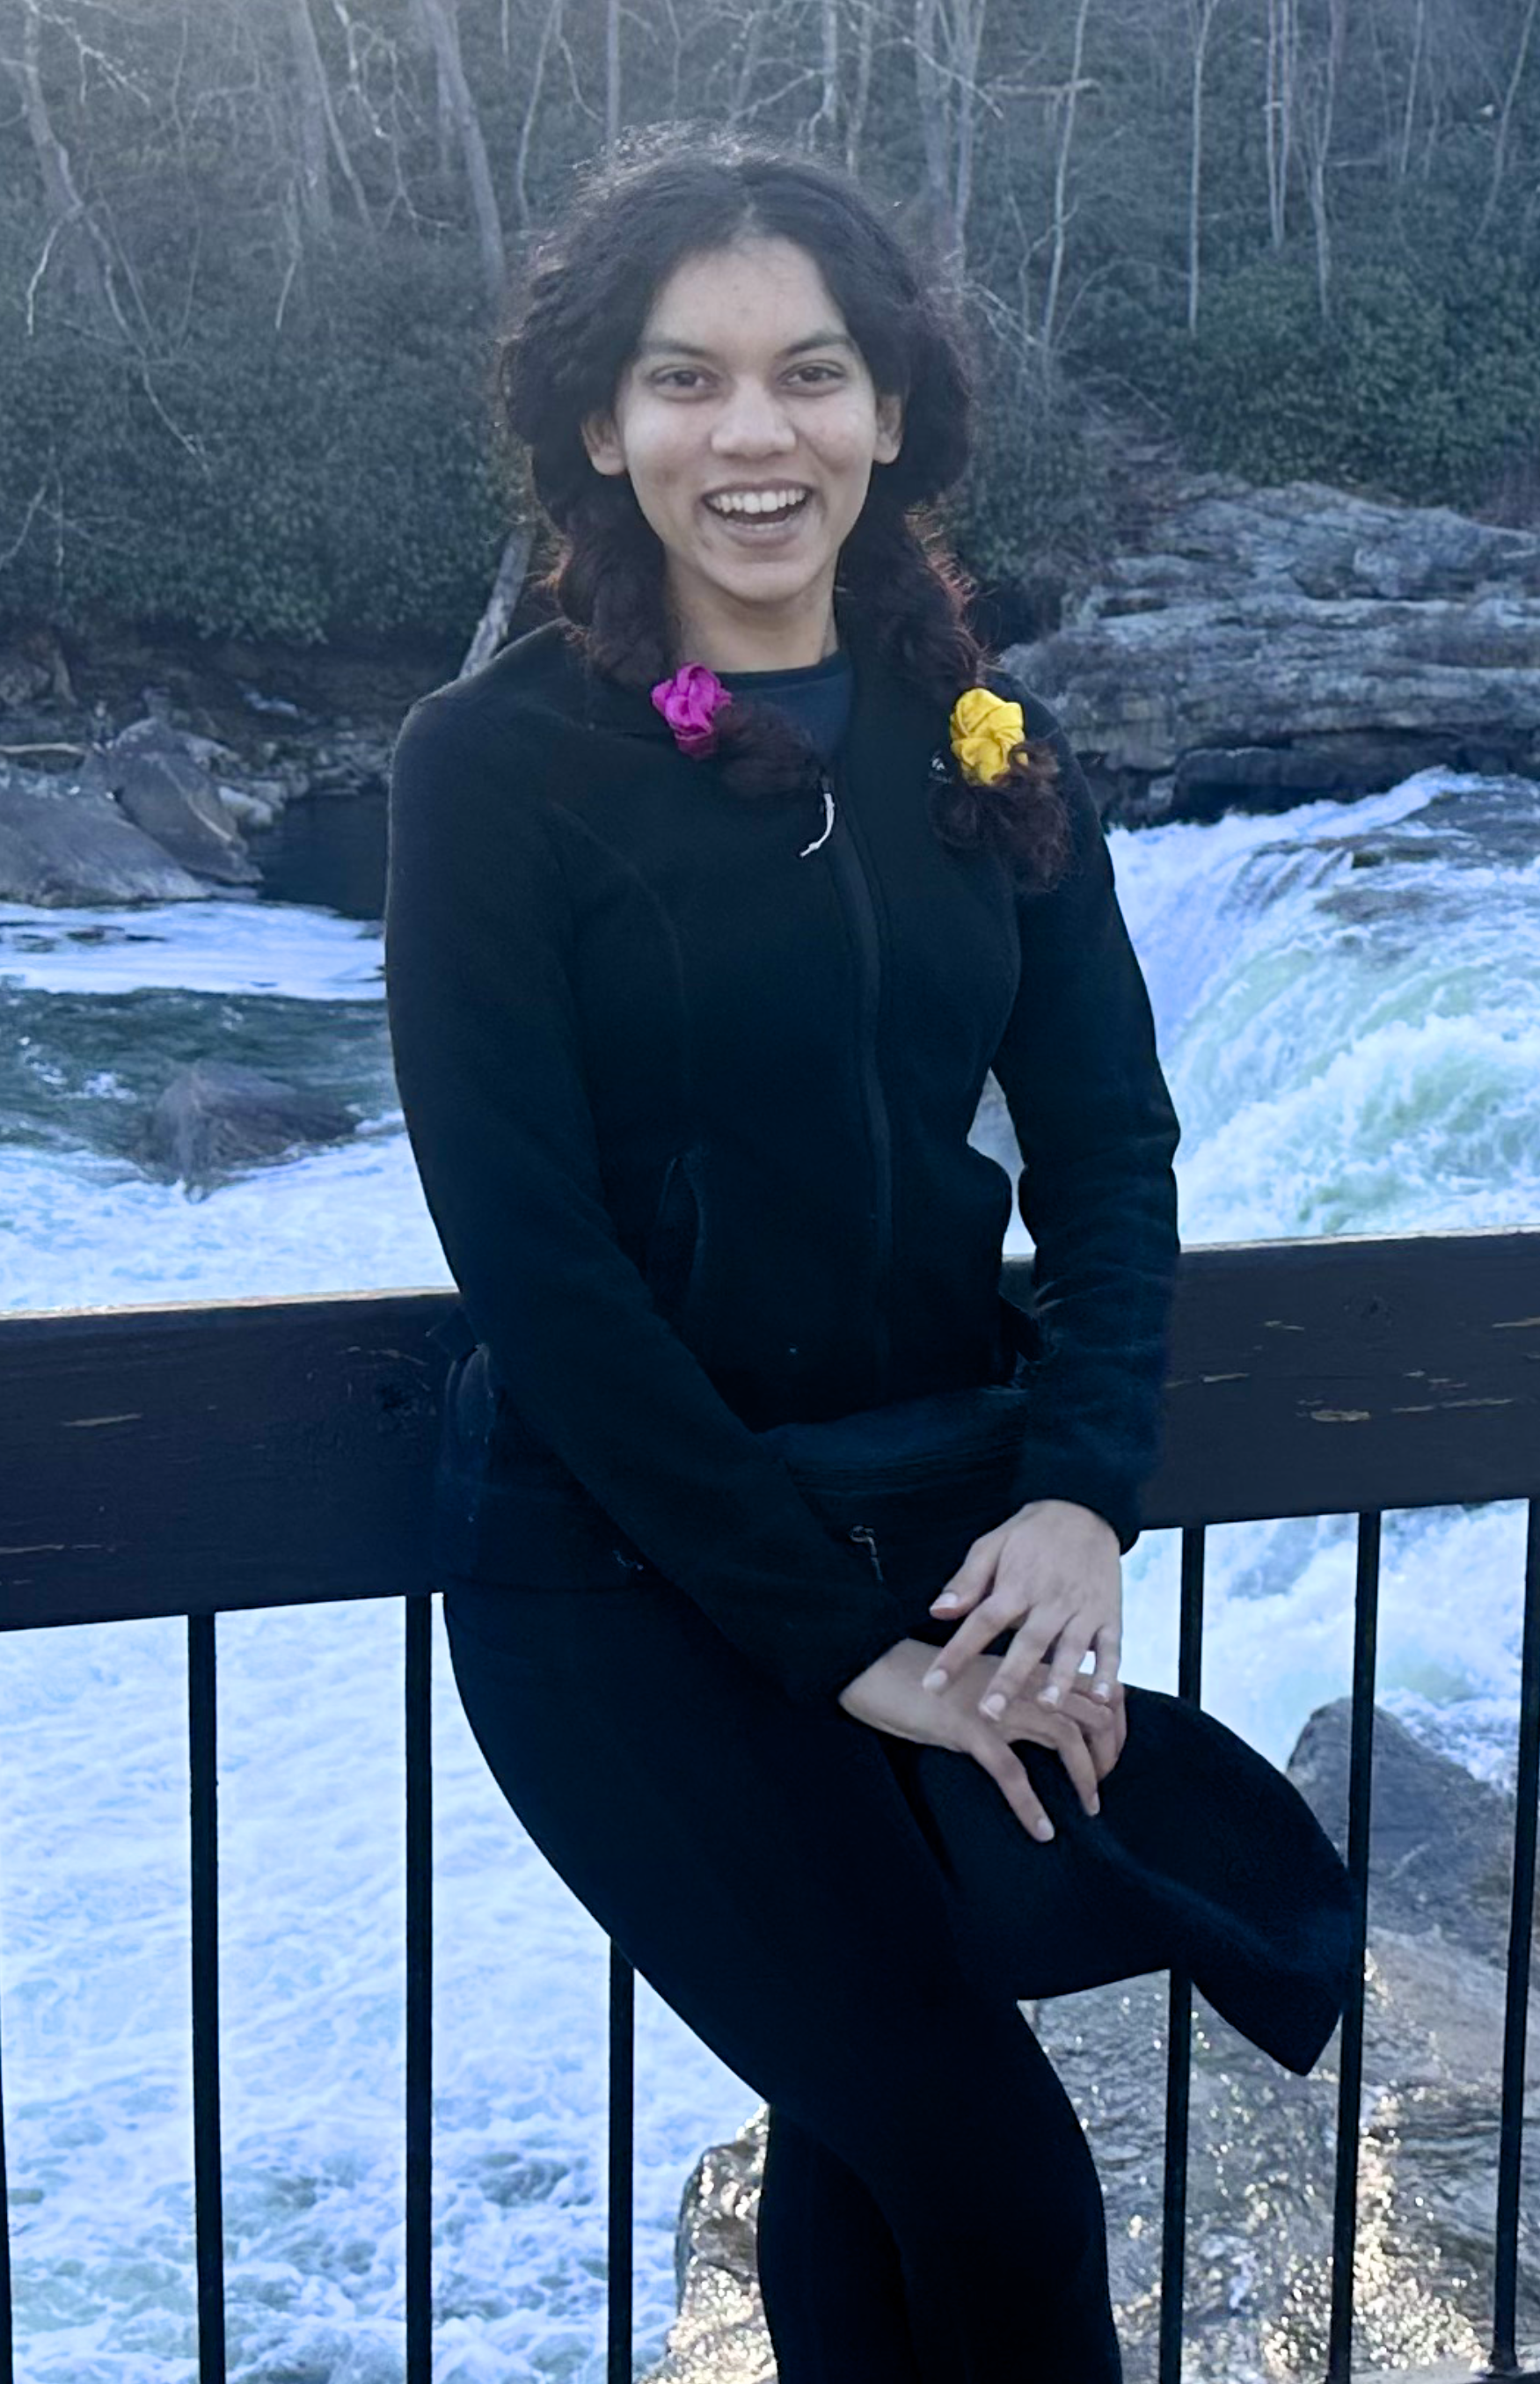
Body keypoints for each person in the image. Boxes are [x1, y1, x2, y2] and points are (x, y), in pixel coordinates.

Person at [383, 126, 1181, 2384]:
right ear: (601, 425)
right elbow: (532, 1256)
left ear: (891, 410)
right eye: (687, 378)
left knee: (863, 2168)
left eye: (811, 373)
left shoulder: (984, 745)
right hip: (620, 1585)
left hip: (936, 1536)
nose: (756, 434)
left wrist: (1082, 1490)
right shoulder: (495, 767)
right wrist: (839, 1643)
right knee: (996, 2178)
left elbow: (1111, 1148)